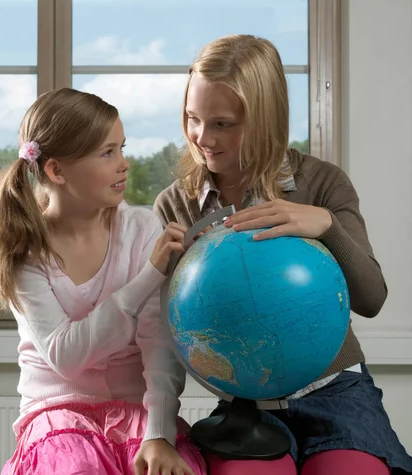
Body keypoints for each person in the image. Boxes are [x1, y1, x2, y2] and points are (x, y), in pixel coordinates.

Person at [153, 34, 412, 475]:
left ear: (265, 119)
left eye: (223, 124)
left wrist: (328, 226)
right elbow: (172, 331)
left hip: (337, 391)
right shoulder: (176, 204)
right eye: (192, 118)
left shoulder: (324, 183)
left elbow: (372, 299)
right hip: (245, 402)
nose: (202, 137)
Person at [0, 87, 207, 475]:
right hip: (58, 416)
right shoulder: (26, 251)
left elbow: (157, 341)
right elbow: (66, 357)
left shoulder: (140, 229)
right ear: (56, 171)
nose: (124, 164)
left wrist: (159, 434)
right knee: (75, 467)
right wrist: (149, 276)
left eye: (122, 148)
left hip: (137, 412)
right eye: (107, 152)